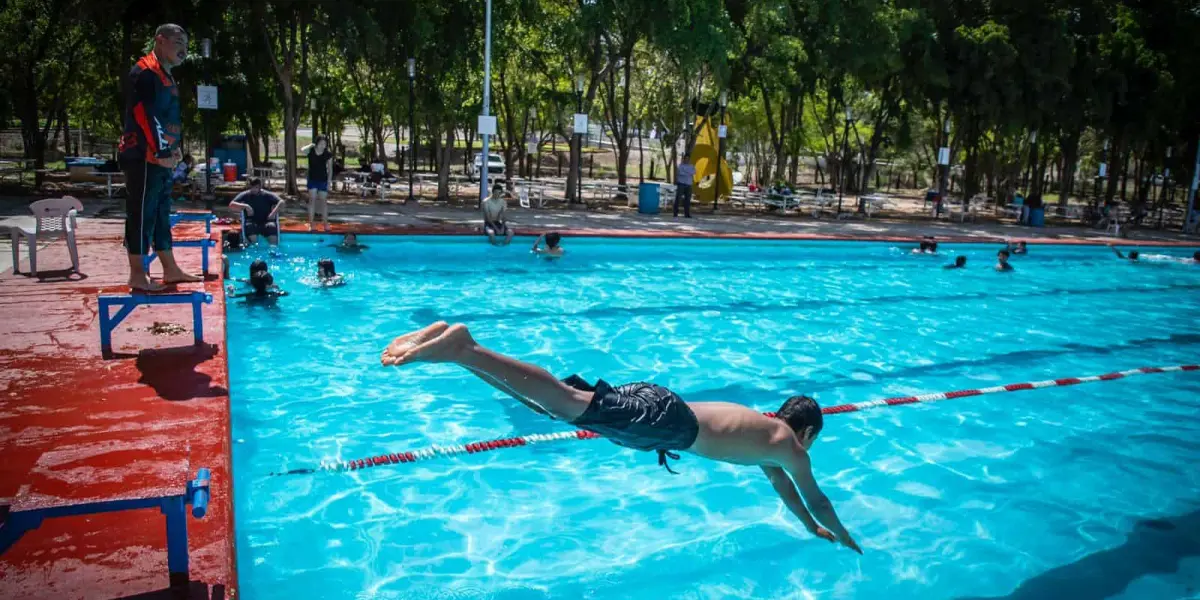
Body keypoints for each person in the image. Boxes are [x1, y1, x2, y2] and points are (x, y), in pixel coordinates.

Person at [380, 322, 862, 553]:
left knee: (554, 407)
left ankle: (458, 352)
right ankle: (466, 345)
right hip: (671, 424)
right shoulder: (789, 446)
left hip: (665, 415)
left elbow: (793, 500)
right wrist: (843, 533)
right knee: (566, 402)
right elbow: (815, 498)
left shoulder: (770, 446)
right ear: (809, 430)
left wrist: (810, 530)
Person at [118, 23, 201, 291]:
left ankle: (170, 268)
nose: (183, 50)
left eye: (186, 45)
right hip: (143, 156)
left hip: (162, 157)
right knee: (141, 213)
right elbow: (146, 116)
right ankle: (137, 275)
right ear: (160, 40)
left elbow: (167, 118)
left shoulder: (165, 75)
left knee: (161, 213)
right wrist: (161, 151)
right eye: (178, 42)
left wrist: (175, 148)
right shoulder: (145, 72)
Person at [229, 177, 284, 246]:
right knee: (250, 227)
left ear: (260, 187)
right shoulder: (245, 195)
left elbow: (282, 202)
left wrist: (273, 213)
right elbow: (231, 205)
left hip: (266, 222)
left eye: (256, 187)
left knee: (272, 227)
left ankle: (273, 249)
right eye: (252, 187)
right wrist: (246, 206)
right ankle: (255, 248)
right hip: (252, 222)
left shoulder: (267, 195)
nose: (253, 189)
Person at [301, 135, 334, 232]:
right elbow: (302, 149)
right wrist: (311, 145)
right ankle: (311, 224)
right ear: (317, 143)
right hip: (312, 179)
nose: (323, 146)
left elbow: (330, 170)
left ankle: (325, 224)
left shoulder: (328, 154)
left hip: (323, 180)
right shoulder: (311, 151)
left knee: (323, 202)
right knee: (312, 201)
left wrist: (329, 182)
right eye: (321, 144)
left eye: (325, 144)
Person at [674, 154, 697, 218]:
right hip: (681, 184)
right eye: (685, 158)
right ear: (683, 159)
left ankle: (687, 214)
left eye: (688, 159)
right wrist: (688, 173)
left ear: (689, 159)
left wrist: (686, 172)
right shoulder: (680, 166)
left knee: (687, 200)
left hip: (689, 185)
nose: (686, 160)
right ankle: (675, 213)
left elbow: (694, 172)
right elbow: (680, 173)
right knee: (678, 199)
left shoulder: (692, 166)